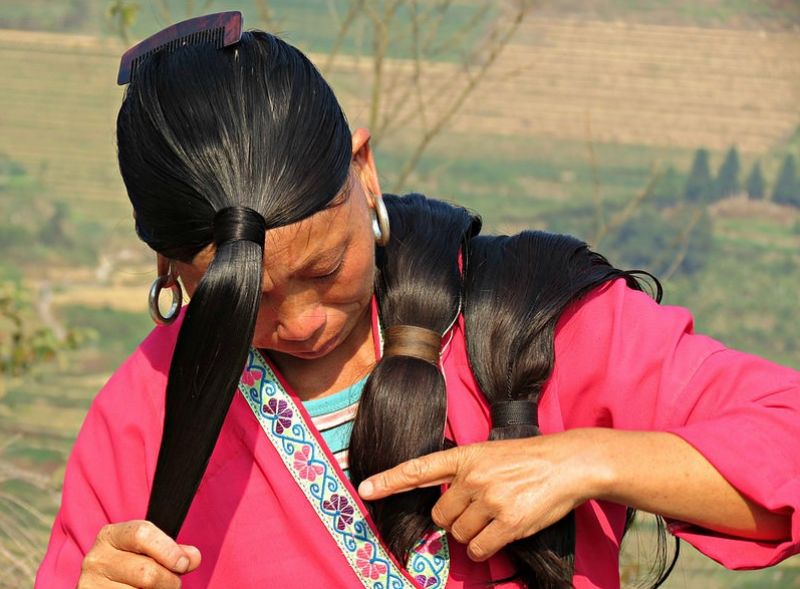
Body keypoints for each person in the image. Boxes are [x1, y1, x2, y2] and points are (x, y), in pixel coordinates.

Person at [35, 14, 800, 589]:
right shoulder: (140, 419)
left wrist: (587, 460)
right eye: (249, 301)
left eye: (326, 267)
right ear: (171, 266)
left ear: (363, 170)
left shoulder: (529, 319)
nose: (302, 320)